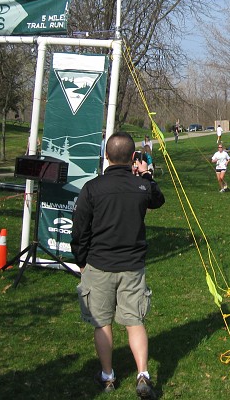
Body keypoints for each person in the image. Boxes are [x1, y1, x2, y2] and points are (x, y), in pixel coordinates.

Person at [71, 132, 165, 398]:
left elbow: (79, 230)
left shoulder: (92, 188)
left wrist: (81, 260)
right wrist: (146, 174)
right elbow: (157, 199)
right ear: (133, 157)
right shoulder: (141, 186)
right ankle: (142, 373)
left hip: (100, 265)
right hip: (131, 265)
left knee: (102, 323)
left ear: (106, 156)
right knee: (134, 321)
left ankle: (108, 375)